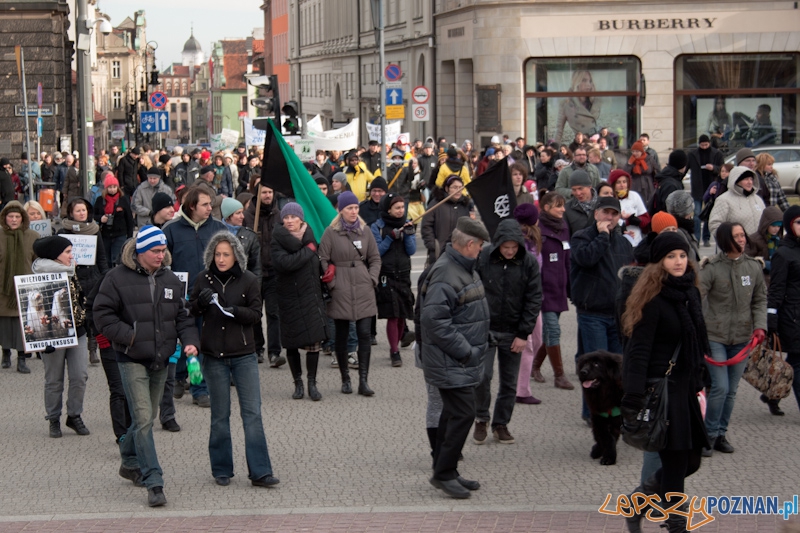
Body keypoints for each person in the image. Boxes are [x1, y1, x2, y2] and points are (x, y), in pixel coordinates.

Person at [93, 226, 201, 507]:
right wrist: (129, 336)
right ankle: (154, 481)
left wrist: (190, 342)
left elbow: (183, 316)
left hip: (161, 359)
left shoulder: (170, 279)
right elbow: (102, 315)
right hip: (130, 358)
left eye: (163, 250)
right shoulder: (115, 278)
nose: (160, 255)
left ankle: (128, 460)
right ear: (140, 251)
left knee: (147, 418)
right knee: (143, 419)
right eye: (155, 251)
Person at [620, 232, 711, 533]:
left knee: (691, 461)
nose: (678, 261)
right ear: (659, 262)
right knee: (675, 464)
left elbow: (696, 341)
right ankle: (676, 525)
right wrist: (633, 396)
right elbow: (638, 352)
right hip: (663, 390)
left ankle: (637, 503)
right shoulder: (653, 299)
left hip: (685, 389)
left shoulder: (690, 293)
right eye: (671, 257)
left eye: (682, 255)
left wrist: (701, 377)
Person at [188, 232, 279, 488]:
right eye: (217, 254)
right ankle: (221, 469)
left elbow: (255, 314)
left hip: (243, 355)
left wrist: (235, 311)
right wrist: (200, 303)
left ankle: (260, 472)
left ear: (236, 256)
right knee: (220, 416)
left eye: (226, 254)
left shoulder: (248, 279)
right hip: (213, 356)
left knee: (252, 414)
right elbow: (190, 310)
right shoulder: (203, 278)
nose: (221, 259)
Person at [420, 217, 490, 499]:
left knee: (452, 414)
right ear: (470, 244)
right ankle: (443, 473)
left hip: (458, 360)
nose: (482, 250)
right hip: (452, 360)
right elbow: (435, 321)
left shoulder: (463, 267)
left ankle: (446, 469)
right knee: (463, 413)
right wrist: (466, 351)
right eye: (480, 245)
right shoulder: (446, 272)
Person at [699, 222, 767, 457]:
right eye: (736, 236)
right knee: (720, 387)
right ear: (725, 240)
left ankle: (720, 434)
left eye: (742, 235)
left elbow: (760, 299)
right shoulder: (711, 268)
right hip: (715, 336)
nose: (741, 239)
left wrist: (760, 326)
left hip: (742, 337)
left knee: (731, 390)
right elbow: (696, 296)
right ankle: (707, 435)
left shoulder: (753, 267)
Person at [473, 218, 542, 445]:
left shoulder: (528, 262)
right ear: (498, 244)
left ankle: (501, 423)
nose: (510, 251)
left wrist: (523, 334)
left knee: (510, 382)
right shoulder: (484, 257)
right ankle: (481, 418)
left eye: (514, 247)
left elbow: (534, 299)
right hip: (486, 328)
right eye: (506, 247)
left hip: (514, 331)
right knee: (483, 376)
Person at [319, 191, 381, 396]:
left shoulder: (365, 231)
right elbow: (323, 259)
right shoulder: (331, 232)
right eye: (349, 208)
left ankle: (363, 380)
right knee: (342, 334)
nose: (354, 212)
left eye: (356, 208)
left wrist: (372, 279)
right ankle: (345, 378)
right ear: (341, 210)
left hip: (363, 286)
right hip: (341, 287)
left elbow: (375, 258)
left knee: (364, 333)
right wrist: (332, 283)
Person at [29, 236, 90, 437]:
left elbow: (80, 296)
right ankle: (53, 418)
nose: (72, 256)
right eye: (67, 252)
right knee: (54, 379)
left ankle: (74, 415)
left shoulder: (71, 271)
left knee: (80, 376)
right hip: (52, 335)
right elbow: (33, 309)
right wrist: (41, 338)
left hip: (77, 330)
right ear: (55, 255)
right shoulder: (40, 277)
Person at [271, 203, 328, 400]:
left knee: (313, 342)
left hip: (310, 295)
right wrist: (309, 251)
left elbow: (317, 261)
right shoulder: (277, 240)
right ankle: (298, 383)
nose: (289, 221)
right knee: (292, 343)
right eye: (286, 217)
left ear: (301, 219)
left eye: (293, 217)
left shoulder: (310, 236)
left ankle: (312, 383)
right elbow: (285, 263)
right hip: (288, 297)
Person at [570, 196, 634, 363]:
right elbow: (586, 259)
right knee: (597, 366)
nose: (609, 217)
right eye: (606, 212)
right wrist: (603, 236)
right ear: (596, 213)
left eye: (614, 214)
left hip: (618, 315)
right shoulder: (581, 237)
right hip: (592, 314)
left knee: (618, 368)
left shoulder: (624, 243)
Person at [58, 198, 110, 365]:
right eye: (78, 211)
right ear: (71, 213)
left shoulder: (94, 230)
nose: (81, 213)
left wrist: (106, 276)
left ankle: (92, 348)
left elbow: (101, 257)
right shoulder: (63, 232)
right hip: (72, 277)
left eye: (84, 210)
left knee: (91, 313)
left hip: (92, 277)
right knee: (74, 312)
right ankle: (72, 348)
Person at [243, 181, 287, 367]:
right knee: (255, 313)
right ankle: (257, 349)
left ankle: (274, 353)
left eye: (270, 192)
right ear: (257, 195)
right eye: (264, 193)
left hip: (274, 272)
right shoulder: (248, 216)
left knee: (274, 313)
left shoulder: (279, 215)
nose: (267, 196)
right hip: (254, 272)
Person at [371, 193, 416, 367]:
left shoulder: (407, 224)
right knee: (392, 314)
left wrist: (409, 235)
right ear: (388, 209)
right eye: (397, 208)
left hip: (403, 274)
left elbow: (411, 251)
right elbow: (377, 251)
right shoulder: (378, 226)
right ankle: (394, 351)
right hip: (386, 275)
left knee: (402, 315)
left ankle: (396, 344)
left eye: (402, 207)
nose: (400, 211)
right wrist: (390, 237)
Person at [767, 205, 800, 417]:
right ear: (789, 225)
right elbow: (776, 288)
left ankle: (772, 394)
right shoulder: (783, 254)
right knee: (797, 361)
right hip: (791, 315)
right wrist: (771, 316)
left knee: (794, 360)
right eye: (798, 222)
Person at [0, 201, 39, 373]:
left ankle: (22, 359)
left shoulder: (32, 236)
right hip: (3, 288)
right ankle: (6, 353)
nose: (14, 220)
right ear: (5, 218)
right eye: (11, 216)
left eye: (17, 216)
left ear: (22, 218)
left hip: (24, 289)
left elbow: (38, 262)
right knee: (4, 324)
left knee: (23, 325)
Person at [421, 175, 473, 266]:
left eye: (460, 187)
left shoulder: (464, 205)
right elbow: (426, 225)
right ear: (447, 188)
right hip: (439, 253)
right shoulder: (436, 204)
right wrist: (433, 245)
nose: (458, 190)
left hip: (459, 253)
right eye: (455, 187)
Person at [708, 166, 765, 237]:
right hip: (735, 243)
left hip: (757, 243)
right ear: (736, 181)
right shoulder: (724, 200)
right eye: (746, 179)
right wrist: (730, 240)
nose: (750, 182)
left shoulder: (757, 199)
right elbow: (714, 224)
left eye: (751, 179)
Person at [688, 134, 723, 246]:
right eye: (702, 145)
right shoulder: (693, 154)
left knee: (708, 214)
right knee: (697, 214)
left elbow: (722, 169)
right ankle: (697, 238)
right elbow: (686, 167)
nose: (704, 147)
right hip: (697, 187)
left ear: (709, 143)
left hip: (711, 187)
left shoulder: (717, 154)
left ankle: (706, 238)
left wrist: (713, 168)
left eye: (706, 145)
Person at [93, 174, 135, 267]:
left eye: (114, 187)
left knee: (117, 258)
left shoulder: (123, 200)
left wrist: (130, 236)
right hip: (105, 234)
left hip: (120, 234)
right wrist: (100, 218)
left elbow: (129, 218)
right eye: (110, 187)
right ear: (106, 188)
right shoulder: (100, 200)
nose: (112, 189)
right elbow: (93, 214)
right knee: (106, 259)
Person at [554, 70, 601, 143]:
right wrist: (554, 147)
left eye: (590, 81)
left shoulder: (595, 100)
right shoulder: (566, 104)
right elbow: (559, 130)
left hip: (597, 141)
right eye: (584, 80)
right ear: (576, 82)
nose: (588, 84)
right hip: (581, 143)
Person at [608, 169, 648, 247]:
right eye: (618, 182)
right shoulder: (610, 199)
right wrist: (624, 221)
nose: (622, 185)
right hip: (616, 243)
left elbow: (646, 219)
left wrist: (636, 220)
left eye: (624, 182)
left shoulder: (634, 196)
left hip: (636, 242)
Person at [651, 150, 688, 216]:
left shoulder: (670, 177)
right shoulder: (671, 184)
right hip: (668, 220)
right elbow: (669, 208)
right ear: (682, 165)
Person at [623, 140, 658, 206]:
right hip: (635, 185)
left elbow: (656, 170)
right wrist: (629, 164)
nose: (634, 153)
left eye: (637, 151)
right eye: (633, 151)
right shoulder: (631, 160)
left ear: (641, 151)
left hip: (648, 185)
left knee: (649, 204)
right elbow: (625, 173)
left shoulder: (649, 159)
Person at [563, 170, 597, 236]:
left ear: (589, 186)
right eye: (574, 190)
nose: (578, 193)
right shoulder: (567, 209)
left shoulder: (602, 203)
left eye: (580, 188)